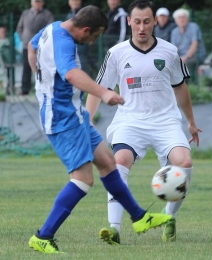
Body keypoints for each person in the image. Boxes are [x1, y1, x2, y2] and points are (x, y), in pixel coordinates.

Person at [27, 5, 172, 254]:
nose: (92, 41)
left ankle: (139, 217)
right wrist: (104, 92)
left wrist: (41, 80)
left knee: (107, 162)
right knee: (83, 179)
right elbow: (72, 74)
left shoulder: (52, 28)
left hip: (75, 113)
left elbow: (31, 47)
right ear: (85, 29)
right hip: (62, 119)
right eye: (93, 36)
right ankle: (43, 236)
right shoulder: (63, 43)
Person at [86, 0, 201, 245]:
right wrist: (87, 121)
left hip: (165, 122)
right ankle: (113, 228)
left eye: (146, 21)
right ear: (129, 21)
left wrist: (190, 122)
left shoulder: (169, 51)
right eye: (136, 21)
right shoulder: (116, 53)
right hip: (130, 121)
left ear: (154, 22)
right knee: (118, 162)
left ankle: (168, 218)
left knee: (185, 163)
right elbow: (97, 90)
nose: (141, 27)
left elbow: (181, 88)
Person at [16, 0, 54, 95]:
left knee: (43, 67)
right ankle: (25, 89)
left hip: (42, 46)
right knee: (26, 67)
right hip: (26, 46)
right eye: (35, 1)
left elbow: (50, 28)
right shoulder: (25, 13)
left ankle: (44, 88)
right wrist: (23, 38)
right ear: (31, 2)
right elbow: (19, 28)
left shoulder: (47, 14)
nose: (37, 3)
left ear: (42, 3)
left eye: (39, 1)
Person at [170, 8, 206, 81]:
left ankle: (188, 86)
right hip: (181, 58)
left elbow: (194, 45)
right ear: (176, 20)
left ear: (188, 19)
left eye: (184, 17)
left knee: (185, 66)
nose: (182, 19)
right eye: (179, 17)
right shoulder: (174, 32)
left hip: (195, 56)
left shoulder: (193, 27)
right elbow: (174, 48)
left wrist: (186, 57)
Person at [66, 0, 90, 74]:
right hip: (71, 44)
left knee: (83, 64)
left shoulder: (84, 14)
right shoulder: (69, 14)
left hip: (82, 44)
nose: (75, 2)